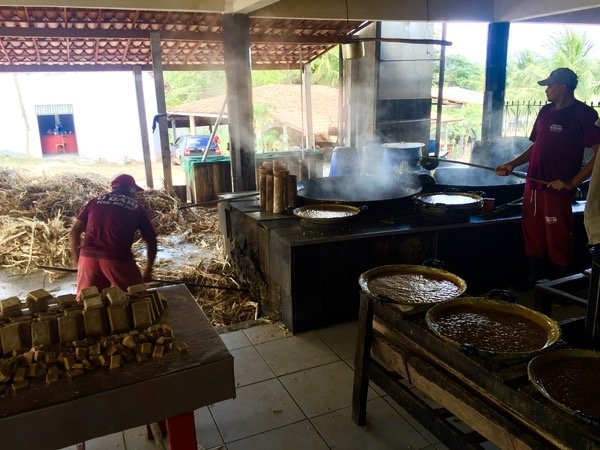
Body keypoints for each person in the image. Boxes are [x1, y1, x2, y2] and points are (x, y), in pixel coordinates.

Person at [496, 68, 600, 288]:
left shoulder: (584, 114)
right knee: (532, 232)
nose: (546, 91)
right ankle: (535, 281)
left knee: (557, 236)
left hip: (558, 190)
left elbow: (598, 154)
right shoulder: (545, 112)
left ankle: (560, 286)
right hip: (533, 185)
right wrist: (512, 164)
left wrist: (572, 182)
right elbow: (536, 147)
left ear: (562, 87)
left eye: (549, 86)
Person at [69, 173, 158, 297]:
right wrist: (149, 268)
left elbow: (74, 232)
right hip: (116, 258)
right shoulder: (136, 207)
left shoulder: (94, 202)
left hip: (87, 258)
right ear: (131, 189)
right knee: (137, 297)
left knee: (88, 301)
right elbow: (151, 239)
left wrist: (78, 261)